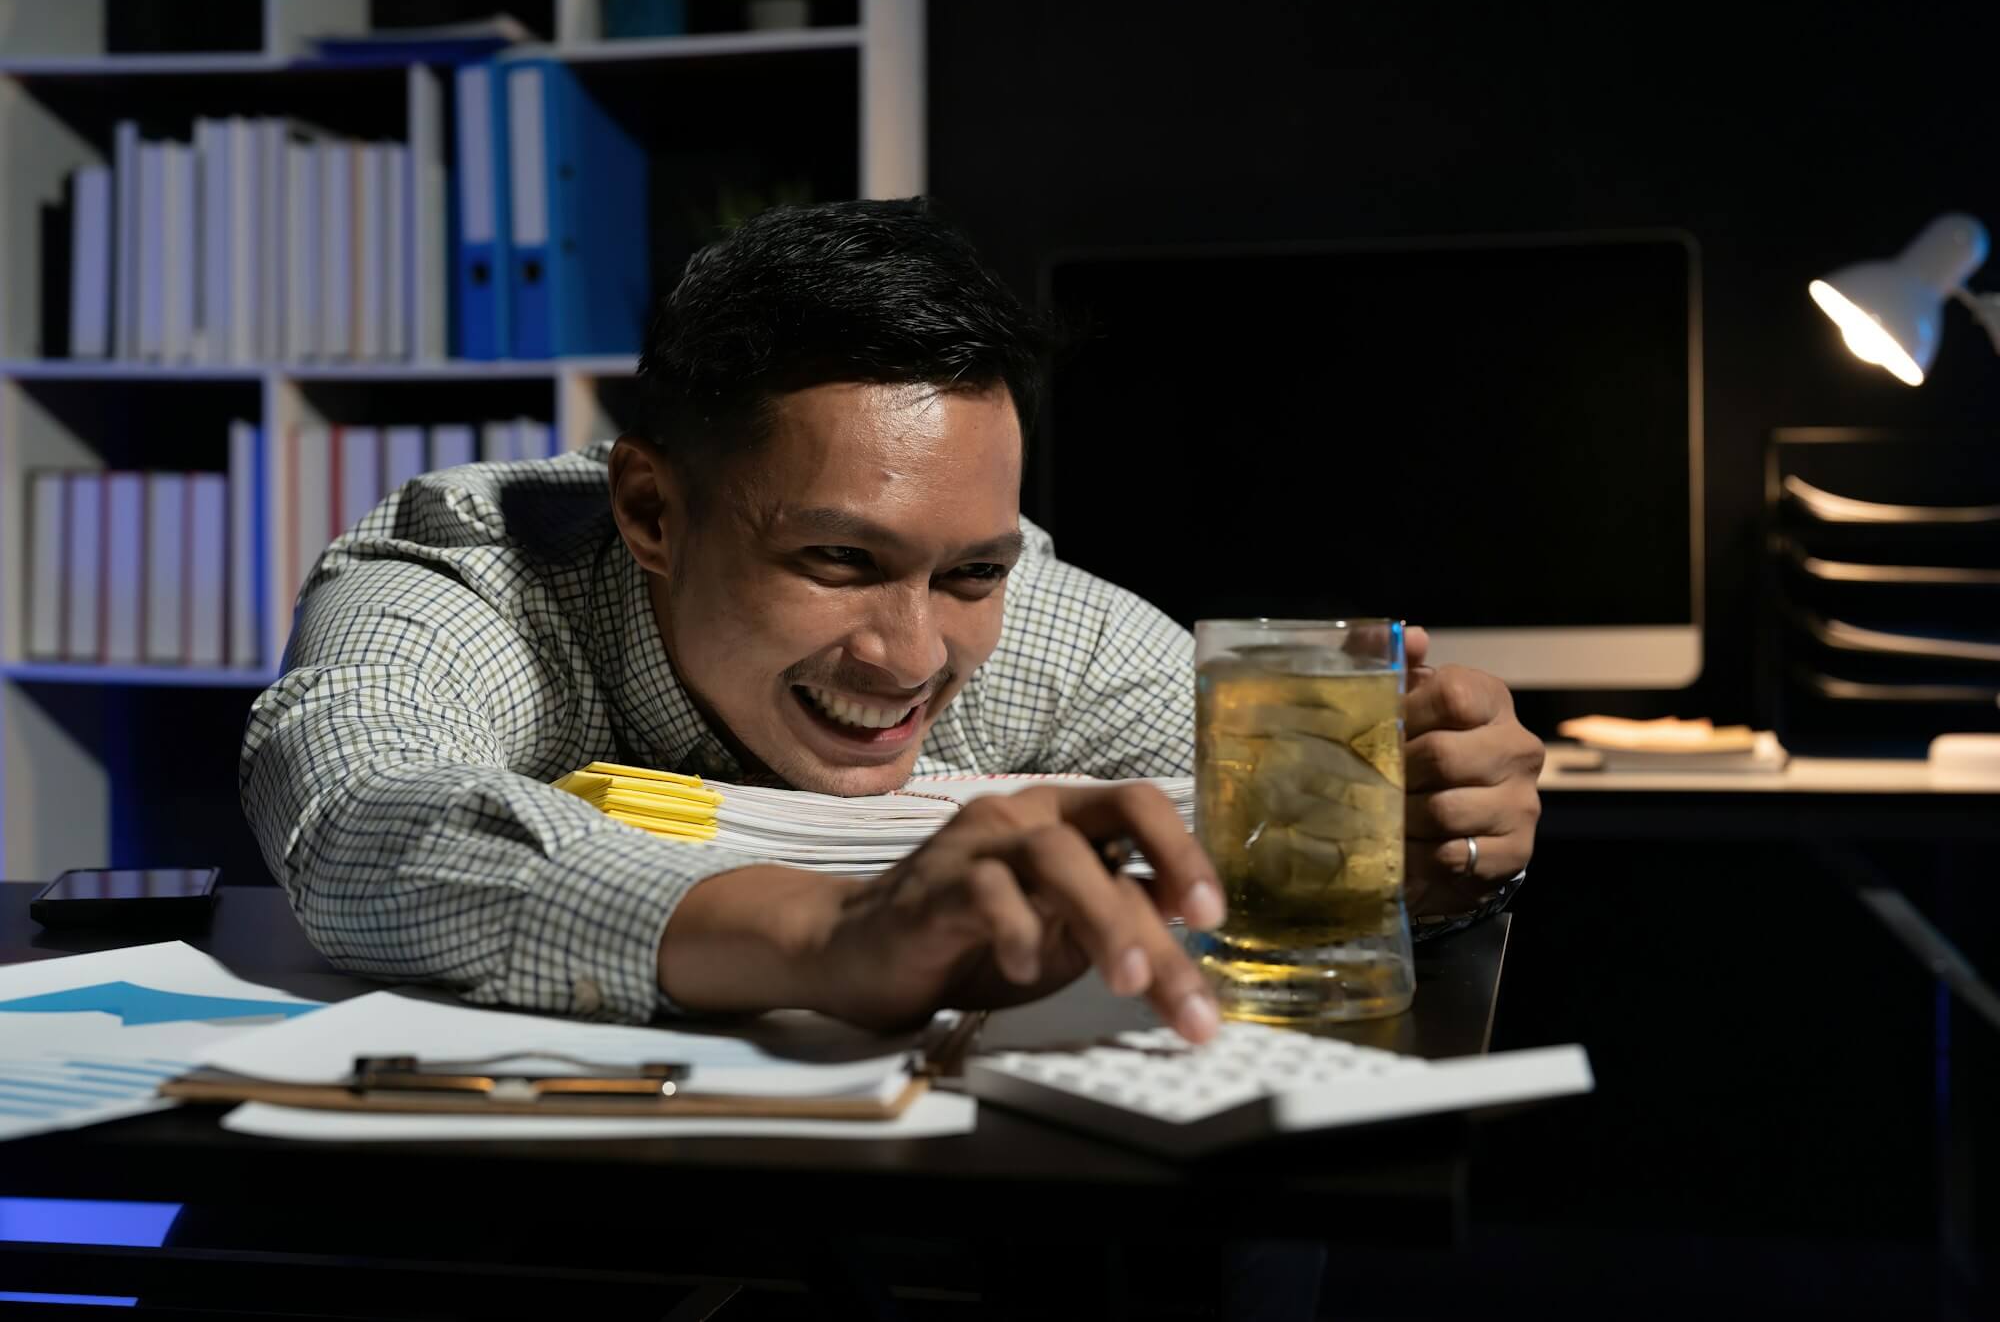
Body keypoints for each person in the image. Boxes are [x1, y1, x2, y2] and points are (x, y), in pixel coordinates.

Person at [240, 198, 1543, 1047]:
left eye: (970, 572)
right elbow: (362, 817)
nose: (911, 655)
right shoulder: (477, 568)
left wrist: (1402, 854)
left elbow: (1286, 830)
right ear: (648, 507)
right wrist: (828, 934)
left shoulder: (1043, 621)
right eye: (837, 557)